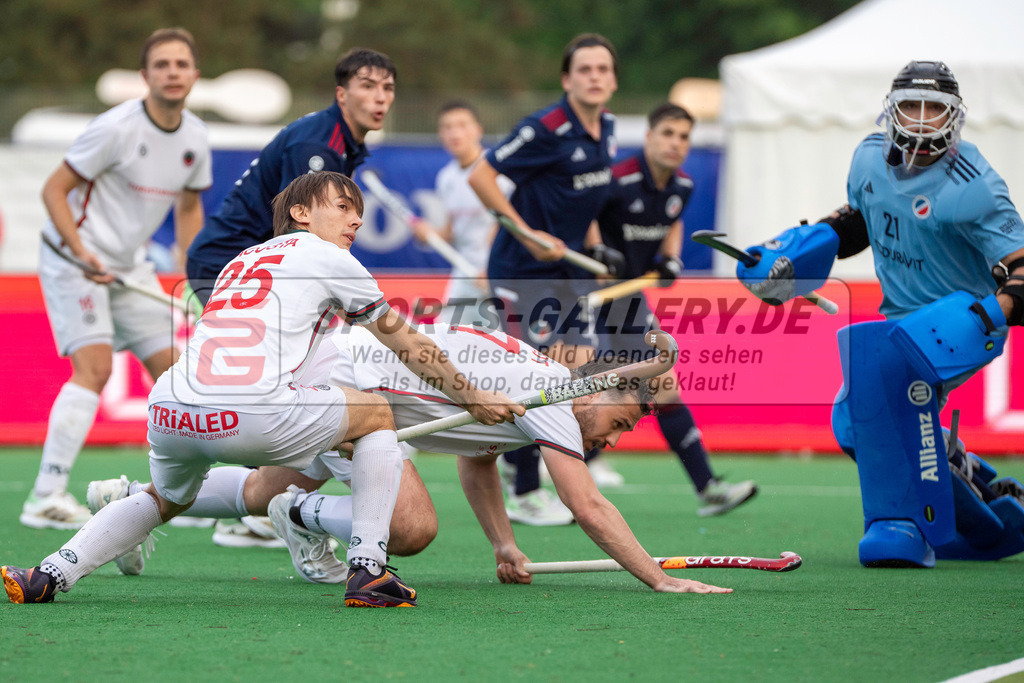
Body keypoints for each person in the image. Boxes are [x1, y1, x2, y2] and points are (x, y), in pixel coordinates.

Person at [2, 171, 523, 606]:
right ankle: (368, 570)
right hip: (257, 414)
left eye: (358, 212)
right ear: (300, 213)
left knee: (162, 499)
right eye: (343, 207)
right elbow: (403, 340)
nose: (356, 220)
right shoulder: (329, 258)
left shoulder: (242, 260)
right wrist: (472, 395)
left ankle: (49, 573)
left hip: (171, 408)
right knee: (376, 412)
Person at [89, 323, 732, 595]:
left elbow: (477, 458)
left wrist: (504, 544)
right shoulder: (554, 400)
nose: (613, 440)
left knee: (260, 489)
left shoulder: (539, 389)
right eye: (620, 424)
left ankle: (129, 502)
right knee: (411, 529)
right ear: (596, 392)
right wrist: (658, 578)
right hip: (349, 389)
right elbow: (585, 504)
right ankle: (302, 516)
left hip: (334, 374)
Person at [734, 61, 1024, 567]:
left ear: (954, 117)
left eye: (934, 109)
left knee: (858, 417)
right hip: (897, 323)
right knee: (860, 424)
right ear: (891, 110)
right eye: (911, 106)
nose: (921, 119)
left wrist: (984, 316)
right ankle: (982, 510)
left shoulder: (975, 184)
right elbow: (862, 222)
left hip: (957, 325)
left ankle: (905, 526)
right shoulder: (868, 159)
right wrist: (796, 252)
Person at [184, 46, 395, 546]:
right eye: (367, 86)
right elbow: (294, 231)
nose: (380, 97)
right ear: (342, 94)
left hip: (248, 263)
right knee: (272, 379)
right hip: (232, 263)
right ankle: (243, 512)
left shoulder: (342, 140)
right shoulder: (317, 146)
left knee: (286, 378)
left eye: (387, 88)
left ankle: (173, 496)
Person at [22, 28, 211, 531]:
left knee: (178, 373)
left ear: (195, 74)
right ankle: (45, 496)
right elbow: (53, 190)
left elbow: (189, 208)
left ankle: (181, 496)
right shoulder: (115, 128)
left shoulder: (196, 137)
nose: (172, 72)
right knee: (95, 368)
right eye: (162, 64)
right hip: (73, 259)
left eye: (181, 64)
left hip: (129, 267)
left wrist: (194, 276)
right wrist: (81, 253)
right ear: (145, 75)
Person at [468, 33, 627, 525]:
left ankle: (552, 469)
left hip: (570, 272)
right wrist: (527, 232)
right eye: (585, 69)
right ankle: (524, 489)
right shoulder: (545, 128)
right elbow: (480, 176)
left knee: (576, 373)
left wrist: (595, 245)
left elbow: (584, 199)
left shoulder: (608, 128)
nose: (594, 77)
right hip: (522, 270)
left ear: (613, 79)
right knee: (533, 373)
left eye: (603, 69)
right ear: (566, 79)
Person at [592, 103, 758, 516]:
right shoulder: (617, 179)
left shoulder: (682, 186)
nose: (676, 143)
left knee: (662, 384)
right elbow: (582, 216)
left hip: (627, 298)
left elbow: (673, 222)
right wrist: (596, 252)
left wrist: (671, 256)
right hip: (584, 296)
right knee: (578, 387)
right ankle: (524, 471)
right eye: (667, 133)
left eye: (684, 137)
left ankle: (708, 488)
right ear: (649, 136)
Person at [409, 100, 513, 326]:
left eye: (462, 125)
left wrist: (493, 268)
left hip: (498, 275)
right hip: (464, 276)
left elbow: (508, 224)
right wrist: (429, 234)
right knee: (445, 338)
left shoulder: (497, 170)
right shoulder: (446, 178)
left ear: (478, 130)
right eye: (447, 127)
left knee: (507, 343)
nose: (455, 133)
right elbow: (452, 231)